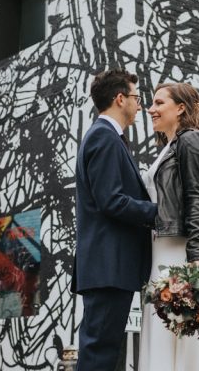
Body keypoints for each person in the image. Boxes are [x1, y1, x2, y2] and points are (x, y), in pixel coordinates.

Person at [73, 69, 158, 371]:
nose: (139, 105)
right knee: (99, 355)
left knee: (101, 353)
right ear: (120, 99)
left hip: (108, 267)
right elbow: (111, 200)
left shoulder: (105, 137)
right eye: (136, 97)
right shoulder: (104, 138)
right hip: (108, 266)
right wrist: (159, 214)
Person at [138, 82, 199, 371]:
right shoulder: (168, 147)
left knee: (179, 337)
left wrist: (198, 258)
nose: (151, 109)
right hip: (161, 252)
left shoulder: (192, 141)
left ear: (181, 108)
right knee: (161, 334)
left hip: (179, 255)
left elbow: (198, 199)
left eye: (159, 103)